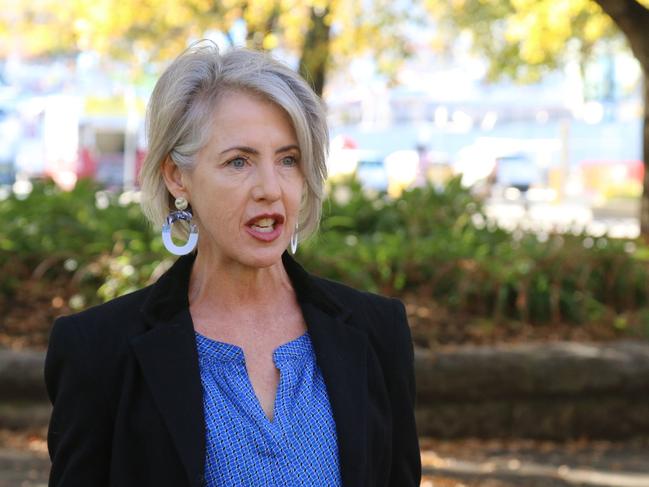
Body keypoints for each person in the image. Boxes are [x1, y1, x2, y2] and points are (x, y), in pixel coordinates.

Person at [45, 42, 421, 487]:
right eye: (239, 161)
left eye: (288, 160)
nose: (270, 188)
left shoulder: (378, 331)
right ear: (176, 175)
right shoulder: (98, 349)